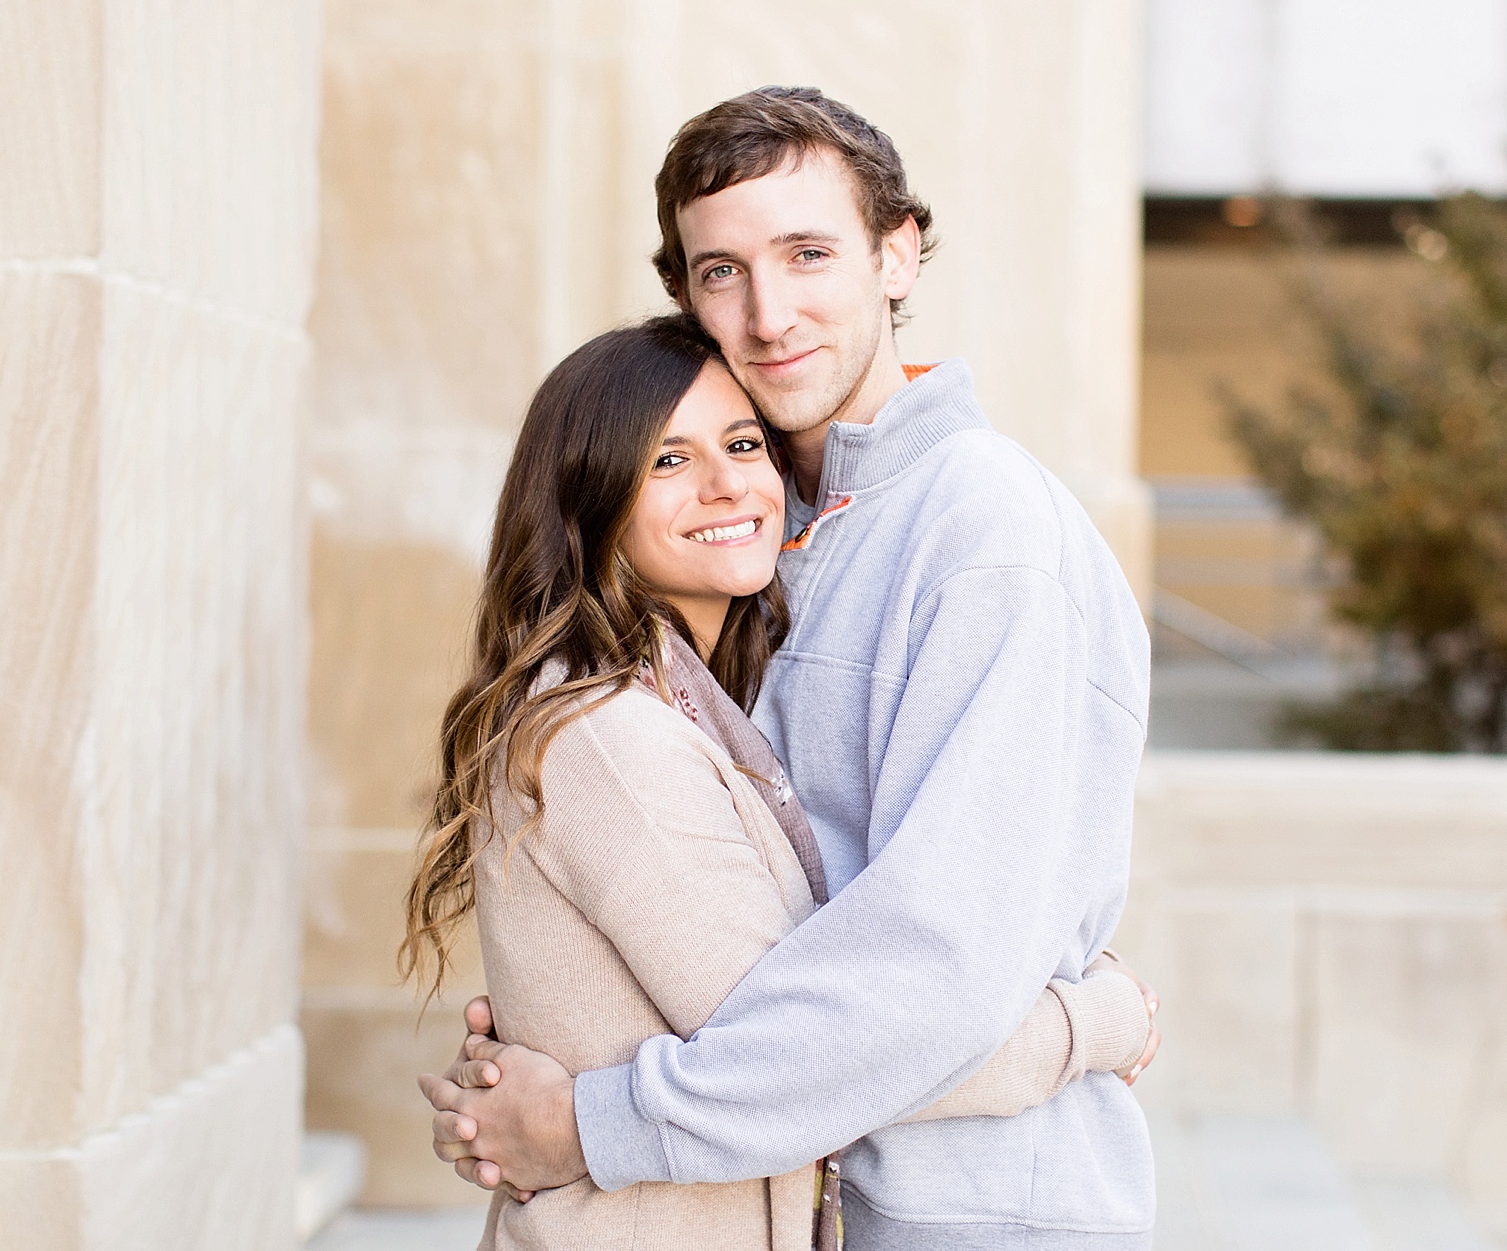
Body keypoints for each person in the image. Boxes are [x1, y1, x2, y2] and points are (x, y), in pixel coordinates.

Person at [422, 87, 1156, 1249]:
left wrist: (588, 1120)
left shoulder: (987, 531)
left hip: (964, 1207)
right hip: (815, 1194)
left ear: (895, 256)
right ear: (685, 295)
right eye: (722, 272)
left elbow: (939, 974)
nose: (768, 314)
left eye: (807, 253)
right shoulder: (762, 547)